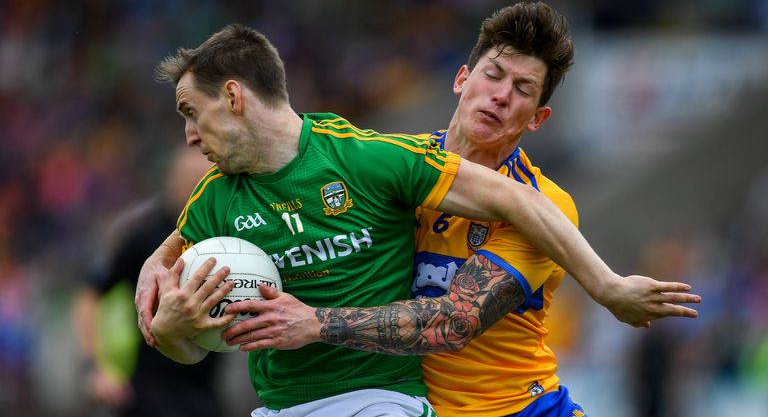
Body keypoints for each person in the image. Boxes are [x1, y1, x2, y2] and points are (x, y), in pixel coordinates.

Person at [136, 22, 697, 416]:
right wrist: (155, 265)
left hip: (511, 411)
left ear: (539, 117)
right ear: (461, 79)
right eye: (494, 75)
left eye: (522, 89)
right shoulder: (398, 165)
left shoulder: (542, 205)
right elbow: (200, 225)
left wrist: (606, 285)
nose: (501, 96)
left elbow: (454, 322)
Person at [72, 146, 228, 417]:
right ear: (170, 179)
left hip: (205, 390)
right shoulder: (142, 236)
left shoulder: (226, 235)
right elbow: (88, 298)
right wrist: (96, 369)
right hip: (148, 391)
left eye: (204, 177)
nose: (196, 186)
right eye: (188, 177)